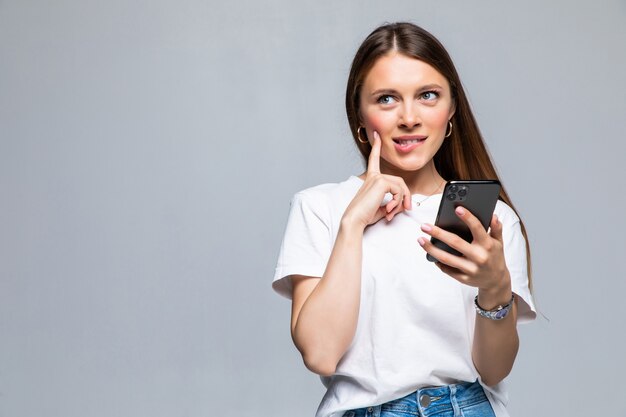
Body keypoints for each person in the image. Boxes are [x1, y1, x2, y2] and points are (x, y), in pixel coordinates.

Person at [272, 22, 536, 417]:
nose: (409, 117)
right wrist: (353, 224)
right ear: (359, 116)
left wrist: (495, 290)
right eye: (387, 99)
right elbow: (320, 354)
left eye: (428, 96)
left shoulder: (492, 220)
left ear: (451, 113)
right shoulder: (319, 207)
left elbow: (494, 369)